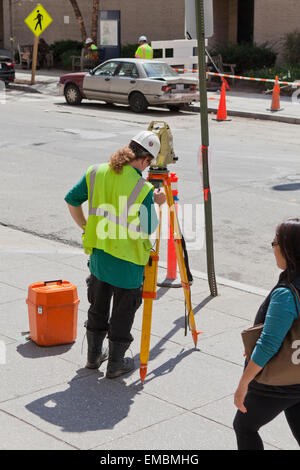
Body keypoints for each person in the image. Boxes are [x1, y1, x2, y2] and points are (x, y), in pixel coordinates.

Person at [65, 131, 166, 379]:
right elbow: (149, 227)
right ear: (145, 161)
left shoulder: (96, 172)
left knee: (98, 307)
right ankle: (115, 365)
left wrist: (86, 226)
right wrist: (159, 203)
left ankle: (92, 358)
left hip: (100, 258)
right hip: (129, 263)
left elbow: (71, 200)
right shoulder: (143, 189)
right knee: (123, 313)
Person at [233, 218, 300, 450]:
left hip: (278, 382)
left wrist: (244, 383)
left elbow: (269, 344)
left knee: (244, 426)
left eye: (275, 243)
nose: (272, 248)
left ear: (288, 249)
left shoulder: (286, 293)